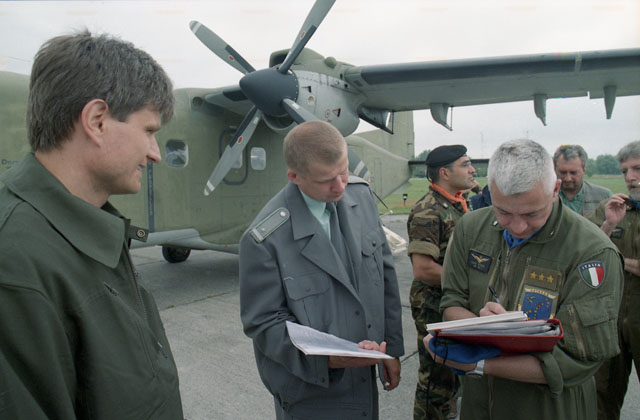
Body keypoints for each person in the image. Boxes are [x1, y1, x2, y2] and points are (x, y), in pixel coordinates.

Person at [0, 31, 183, 418]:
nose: (155, 154)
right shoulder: (15, 264)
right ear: (97, 121)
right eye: (149, 131)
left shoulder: (76, 230)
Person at [426, 139, 623, 420]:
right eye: (503, 211)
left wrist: (480, 360)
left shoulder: (592, 252)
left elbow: (580, 360)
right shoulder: (471, 228)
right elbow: (452, 302)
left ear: (555, 190)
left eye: (532, 213)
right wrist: (491, 329)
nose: (518, 227)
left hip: (551, 408)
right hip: (479, 405)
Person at [239, 120, 404, 420]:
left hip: (364, 382)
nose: (340, 186)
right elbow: (263, 323)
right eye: (326, 180)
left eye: (344, 171)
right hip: (313, 394)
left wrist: (391, 349)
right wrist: (327, 361)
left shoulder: (361, 196)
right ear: (294, 176)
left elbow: (385, 275)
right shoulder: (265, 239)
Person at [407, 145, 475, 419]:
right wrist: (466, 283)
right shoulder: (428, 210)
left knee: (452, 378)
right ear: (445, 173)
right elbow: (423, 269)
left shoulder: (457, 204)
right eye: (465, 164)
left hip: (451, 303)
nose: (472, 170)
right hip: (434, 306)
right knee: (436, 381)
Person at [589, 140, 640, 420]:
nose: (630, 177)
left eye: (637, 169)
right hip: (612, 316)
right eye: (624, 171)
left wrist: (615, 259)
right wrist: (608, 224)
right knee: (603, 395)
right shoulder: (612, 208)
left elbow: (605, 258)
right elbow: (586, 256)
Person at [553, 144, 612, 217]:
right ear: (554, 170)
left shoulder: (604, 197)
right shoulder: (545, 196)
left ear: (584, 170)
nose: (568, 178)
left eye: (573, 173)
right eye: (563, 172)